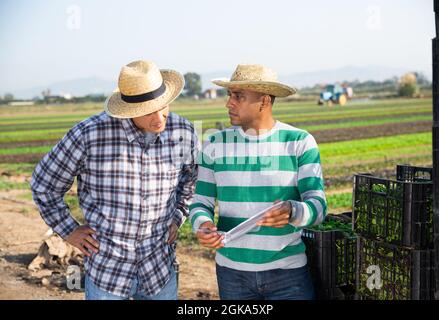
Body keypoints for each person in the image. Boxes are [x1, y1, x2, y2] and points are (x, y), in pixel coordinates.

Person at [31, 60, 198, 300]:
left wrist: (178, 215)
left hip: (160, 270)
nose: (160, 117)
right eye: (149, 110)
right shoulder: (89, 135)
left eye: (164, 106)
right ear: (130, 110)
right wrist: (69, 231)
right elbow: (43, 185)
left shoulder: (184, 131)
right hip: (109, 274)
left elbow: (191, 180)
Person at [189, 64, 327, 300]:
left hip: (288, 275)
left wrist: (293, 211)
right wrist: (202, 225)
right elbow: (200, 202)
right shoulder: (214, 144)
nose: (228, 103)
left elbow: (318, 206)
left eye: (238, 97)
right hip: (232, 276)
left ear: (264, 101)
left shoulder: (299, 142)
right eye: (229, 95)